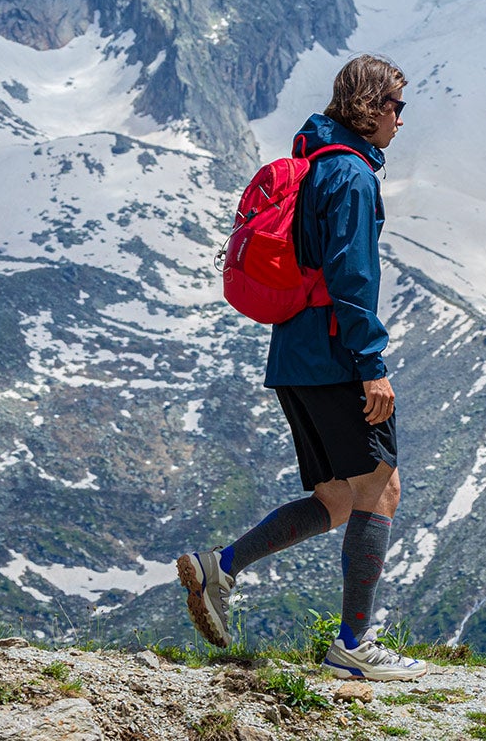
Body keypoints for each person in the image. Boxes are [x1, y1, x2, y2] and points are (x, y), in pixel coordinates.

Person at [177, 54, 428, 681]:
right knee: (381, 485)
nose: (402, 118)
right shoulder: (351, 176)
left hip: (295, 352)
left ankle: (221, 566)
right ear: (370, 108)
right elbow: (352, 275)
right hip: (334, 355)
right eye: (397, 106)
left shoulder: (319, 163)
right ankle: (352, 647)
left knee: (339, 496)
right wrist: (370, 363)